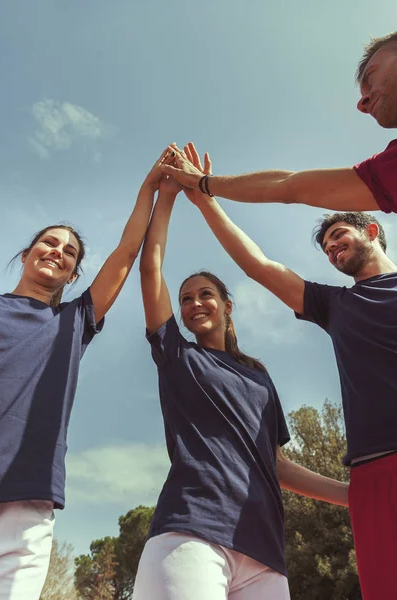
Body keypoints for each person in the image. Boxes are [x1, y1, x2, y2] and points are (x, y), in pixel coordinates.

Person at [178, 144, 397, 600]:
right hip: (375, 471)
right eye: (326, 247)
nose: (333, 248)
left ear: (372, 229)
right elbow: (259, 266)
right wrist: (205, 199)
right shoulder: (336, 307)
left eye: (339, 234)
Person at [133, 155, 348, 600]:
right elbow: (150, 266)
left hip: (264, 552)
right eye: (186, 297)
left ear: (227, 305)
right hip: (191, 530)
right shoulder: (177, 356)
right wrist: (168, 195)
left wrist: (350, 495)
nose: (195, 303)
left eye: (205, 294)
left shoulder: (258, 376)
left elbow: (276, 465)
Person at [0, 148, 175, 600]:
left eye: (70, 252)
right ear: (26, 253)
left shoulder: (72, 323)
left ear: (75, 274)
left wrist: (152, 187)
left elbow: (128, 251)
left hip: (27, 501)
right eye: (50, 242)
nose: (58, 251)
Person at [161, 32, 397, 215]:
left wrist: (201, 182)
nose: (362, 103)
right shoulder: (389, 168)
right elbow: (289, 186)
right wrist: (201, 183)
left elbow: (288, 186)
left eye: (371, 77)